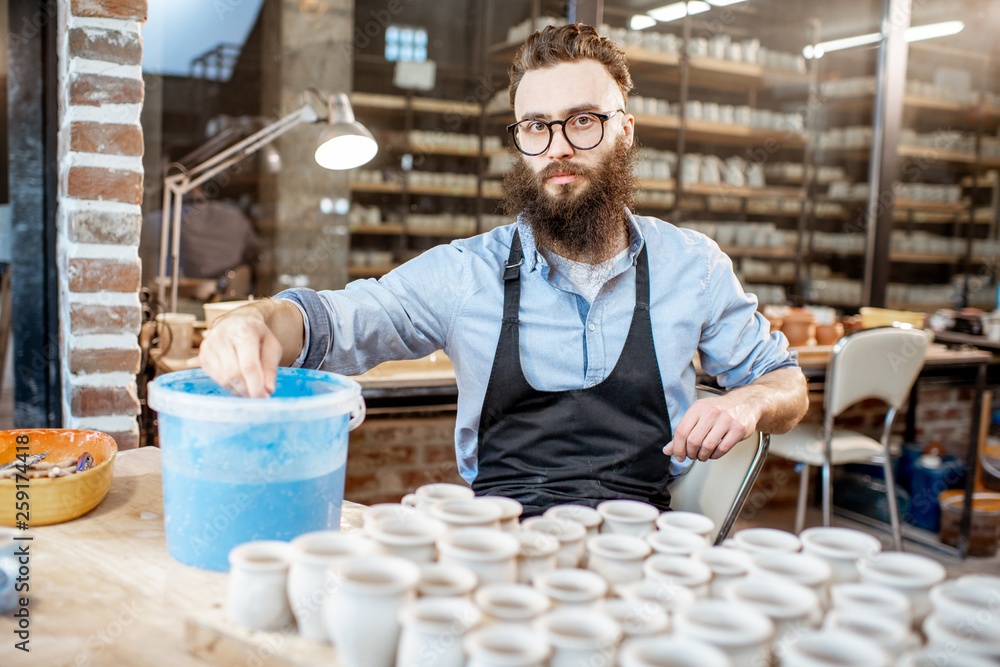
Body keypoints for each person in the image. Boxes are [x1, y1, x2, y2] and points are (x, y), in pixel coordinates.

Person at [200, 23, 808, 516]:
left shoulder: (691, 265)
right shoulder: (468, 273)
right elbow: (335, 323)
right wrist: (252, 320)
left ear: (624, 130)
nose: (558, 147)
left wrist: (749, 402)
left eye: (583, 120)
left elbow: (787, 382)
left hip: (643, 541)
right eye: (536, 127)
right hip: (499, 544)